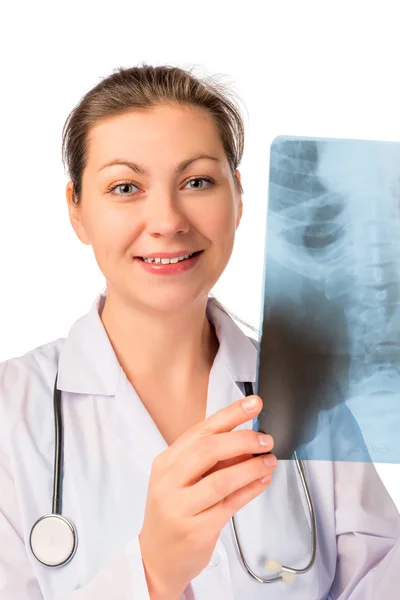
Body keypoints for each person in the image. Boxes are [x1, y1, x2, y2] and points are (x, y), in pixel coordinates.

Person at [0, 63, 399, 600]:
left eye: (197, 181)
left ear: (237, 196)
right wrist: (152, 573)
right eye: (125, 187)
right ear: (76, 209)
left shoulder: (316, 400)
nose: (167, 220)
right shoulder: (12, 411)